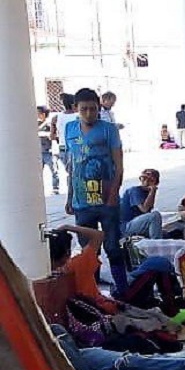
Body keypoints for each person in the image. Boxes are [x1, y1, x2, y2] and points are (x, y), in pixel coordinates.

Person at [63, 87, 128, 295]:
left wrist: (113, 195)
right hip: (82, 201)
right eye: (84, 110)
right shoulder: (70, 129)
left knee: (112, 247)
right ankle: (93, 293)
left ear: (99, 107)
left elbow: (119, 165)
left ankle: (124, 290)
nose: (89, 114)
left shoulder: (109, 129)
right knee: (89, 250)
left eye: (93, 109)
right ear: (75, 108)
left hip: (107, 198)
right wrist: (70, 196)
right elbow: (72, 164)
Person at [119, 169, 164, 239]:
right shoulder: (135, 190)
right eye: (144, 179)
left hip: (137, 225)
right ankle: (155, 246)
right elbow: (144, 209)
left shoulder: (147, 194)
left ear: (156, 183)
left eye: (150, 180)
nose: (146, 182)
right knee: (155, 215)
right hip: (126, 227)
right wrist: (153, 191)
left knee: (166, 233)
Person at [37, 106, 60, 194]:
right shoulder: (37, 124)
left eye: (38, 113)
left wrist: (46, 134)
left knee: (54, 171)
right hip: (40, 151)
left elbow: (54, 135)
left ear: (43, 114)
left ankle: (55, 188)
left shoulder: (49, 124)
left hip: (49, 151)